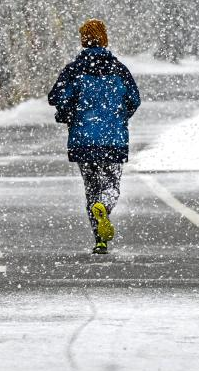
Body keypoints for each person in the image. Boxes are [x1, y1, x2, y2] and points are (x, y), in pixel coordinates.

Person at [47, 19, 141, 255]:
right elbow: (134, 99)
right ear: (104, 39)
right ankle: (105, 206)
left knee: (91, 187)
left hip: (83, 139)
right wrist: (119, 116)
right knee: (111, 185)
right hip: (113, 138)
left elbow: (56, 97)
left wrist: (69, 113)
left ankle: (100, 240)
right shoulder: (119, 69)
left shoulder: (74, 70)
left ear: (83, 40)